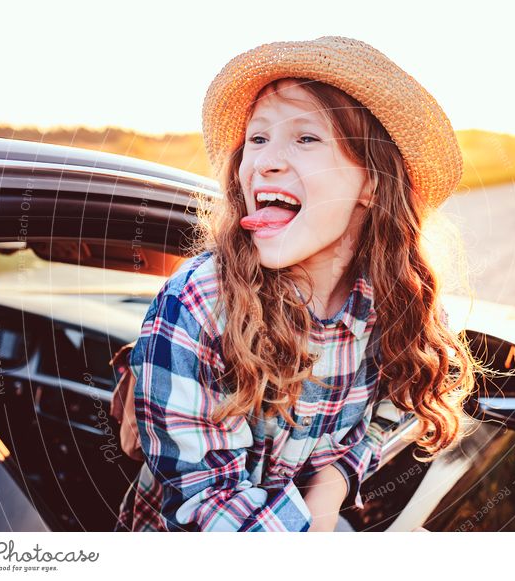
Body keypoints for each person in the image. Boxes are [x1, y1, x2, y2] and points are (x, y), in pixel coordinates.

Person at [115, 36, 479, 532]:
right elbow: (206, 502)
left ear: (371, 183)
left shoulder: (396, 302)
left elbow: (393, 411)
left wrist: (331, 487)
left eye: (305, 139)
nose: (263, 161)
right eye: (257, 139)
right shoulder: (198, 304)